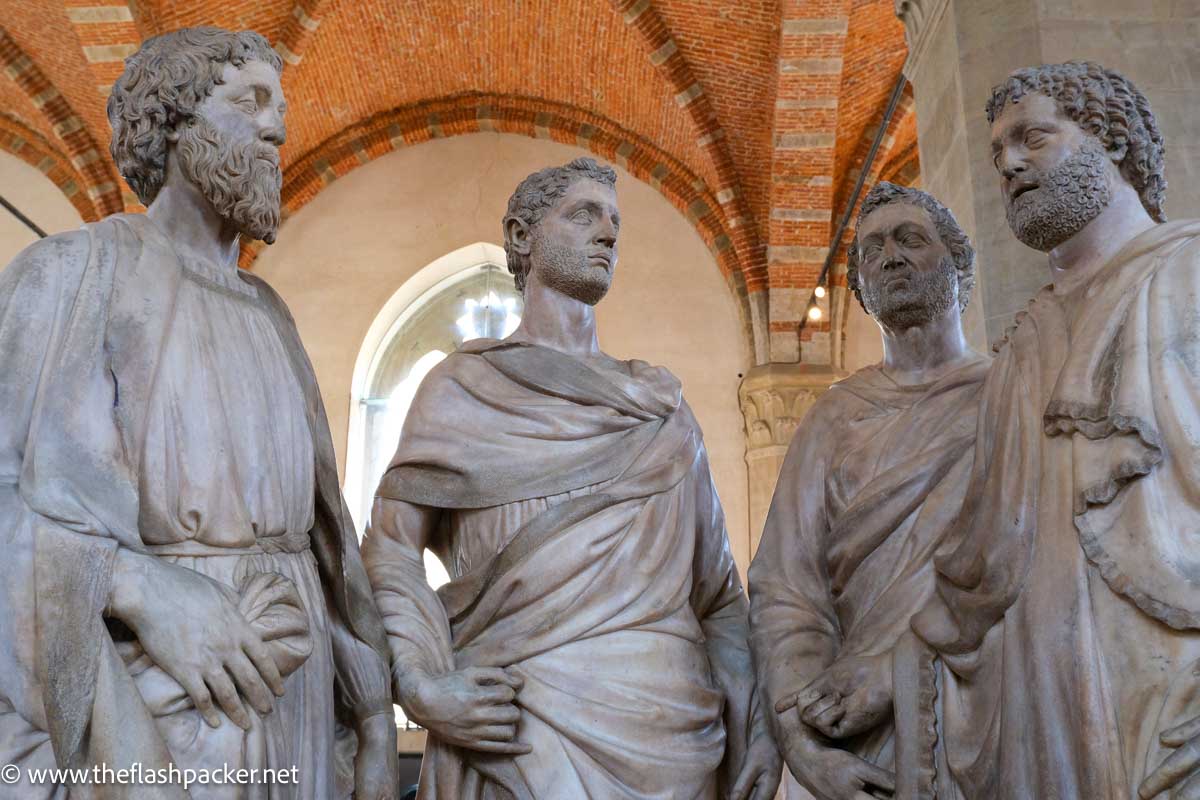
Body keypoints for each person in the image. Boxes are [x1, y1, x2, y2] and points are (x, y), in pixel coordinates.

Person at [0, 27, 395, 799]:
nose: (279, 127)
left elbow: (326, 541)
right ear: (173, 121)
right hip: (163, 696)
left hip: (296, 691)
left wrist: (375, 718)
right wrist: (138, 589)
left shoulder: (270, 313)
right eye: (250, 100)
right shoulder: (76, 272)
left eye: (279, 105)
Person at [362, 157, 781, 799]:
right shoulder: (463, 390)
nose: (608, 232)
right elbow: (390, 548)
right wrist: (420, 681)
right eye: (583, 214)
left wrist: (755, 725)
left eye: (615, 220)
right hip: (516, 731)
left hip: (672, 739)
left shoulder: (661, 410)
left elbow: (717, 597)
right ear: (523, 236)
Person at [846, 61, 1200, 799]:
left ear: (1113, 142)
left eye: (1033, 137)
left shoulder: (1190, 268)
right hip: (1048, 702)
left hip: (1176, 680)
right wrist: (896, 663)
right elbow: (990, 555)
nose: (1008, 163)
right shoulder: (1023, 346)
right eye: (998, 152)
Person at [749, 182, 988, 800]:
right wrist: (803, 745)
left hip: (994, 708)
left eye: (912, 239)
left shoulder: (1008, 396)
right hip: (860, 735)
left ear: (958, 263)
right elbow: (786, 592)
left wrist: (905, 665)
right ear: (858, 287)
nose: (892, 256)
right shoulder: (833, 418)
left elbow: (1041, 570)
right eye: (873, 248)